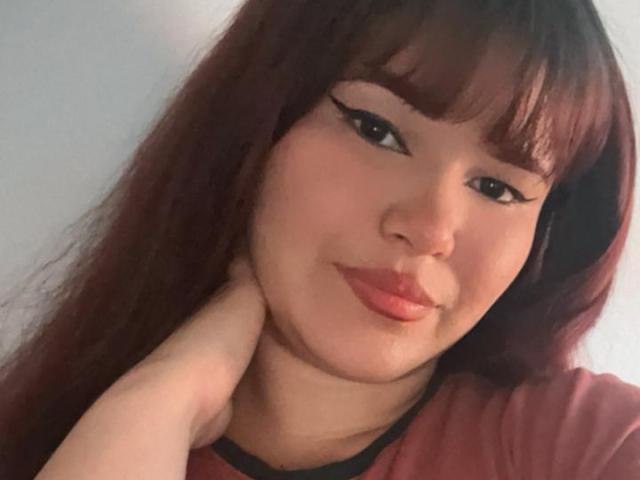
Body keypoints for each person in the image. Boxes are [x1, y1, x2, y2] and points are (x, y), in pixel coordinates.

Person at [0, 0, 638, 478]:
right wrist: (156, 400)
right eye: (376, 130)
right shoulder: (49, 431)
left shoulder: (582, 445)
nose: (430, 230)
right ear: (259, 122)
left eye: (497, 188)